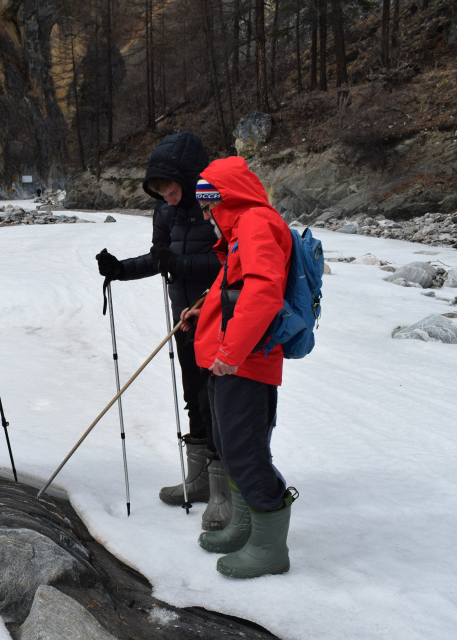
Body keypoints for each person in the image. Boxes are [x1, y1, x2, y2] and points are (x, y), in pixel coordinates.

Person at [94, 131, 230, 531]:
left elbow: (232, 265)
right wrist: (121, 270)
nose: (166, 197)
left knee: (217, 402)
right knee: (193, 397)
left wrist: (182, 266)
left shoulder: (217, 206)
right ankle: (200, 480)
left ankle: (224, 492)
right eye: (159, 191)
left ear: (188, 180)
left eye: (170, 189)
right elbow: (161, 258)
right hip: (184, 317)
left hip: (222, 317)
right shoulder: (165, 213)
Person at [182, 155, 298, 578]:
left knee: (246, 453)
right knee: (230, 445)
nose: (208, 213)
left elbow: (264, 292)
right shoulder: (239, 230)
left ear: (225, 197)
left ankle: (270, 549)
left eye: (212, 203)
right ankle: (246, 526)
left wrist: (230, 353)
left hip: (244, 363)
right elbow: (234, 289)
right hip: (229, 361)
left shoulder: (255, 223)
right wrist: (203, 314)